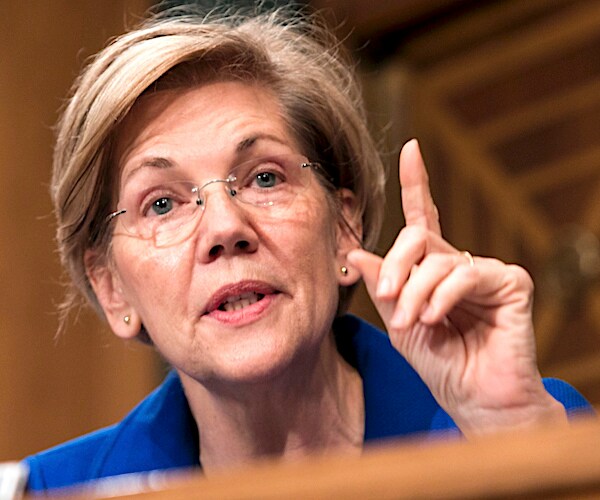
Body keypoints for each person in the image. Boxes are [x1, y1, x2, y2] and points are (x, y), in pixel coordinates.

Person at [24, 4, 592, 494]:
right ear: (112, 286)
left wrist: (516, 446)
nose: (225, 226)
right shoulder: (57, 494)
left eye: (264, 178)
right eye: (162, 204)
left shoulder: (529, 429)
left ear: (344, 225)